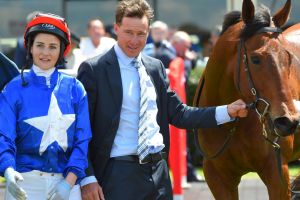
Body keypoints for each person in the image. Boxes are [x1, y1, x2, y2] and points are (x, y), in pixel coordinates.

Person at [77, 0, 248, 199]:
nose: (134, 40)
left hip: (158, 173)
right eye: (128, 32)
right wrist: (87, 178)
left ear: (148, 32)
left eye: (141, 33)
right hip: (117, 174)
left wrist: (227, 111)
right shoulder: (93, 70)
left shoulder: (155, 68)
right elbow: (81, 129)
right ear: (116, 29)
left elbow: (180, 114)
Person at [0, 13, 92, 200]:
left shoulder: (75, 88)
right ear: (30, 48)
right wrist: (8, 169)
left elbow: (83, 140)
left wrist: (69, 182)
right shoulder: (13, 89)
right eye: (40, 45)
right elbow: (4, 135)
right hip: (24, 182)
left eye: (52, 47)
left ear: (61, 51)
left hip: (67, 182)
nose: (45, 53)